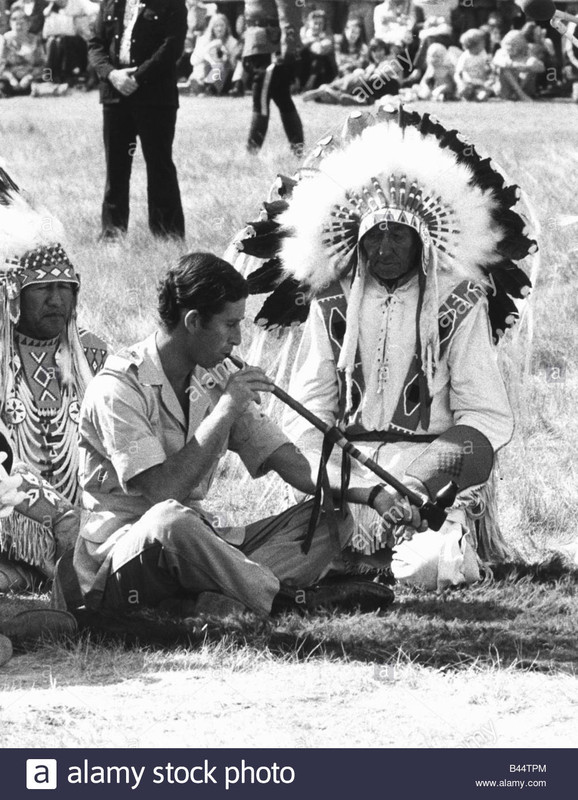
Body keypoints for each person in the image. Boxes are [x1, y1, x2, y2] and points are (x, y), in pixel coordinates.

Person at [232, 106, 536, 589]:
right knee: (286, 561)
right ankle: (351, 558)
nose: (384, 247)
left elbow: (484, 415)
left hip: (429, 480)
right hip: (349, 482)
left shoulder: (457, 300)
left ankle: (397, 556)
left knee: (427, 568)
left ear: (423, 239)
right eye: (374, 234)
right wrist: (343, 486)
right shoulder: (331, 300)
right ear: (357, 237)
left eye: (398, 234)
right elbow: (310, 408)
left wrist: (420, 482)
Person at [70, 252, 402, 619]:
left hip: (197, 547)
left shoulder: (214, 375)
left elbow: (289, 461)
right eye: (230, 325)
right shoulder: (118, 388)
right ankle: (282, 600)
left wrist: (371, 494)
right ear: (193, 321)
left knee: (331, 519)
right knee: (170, 520)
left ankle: (217, 597)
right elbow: (163, 492)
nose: (239, 338)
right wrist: (227, 409)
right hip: (127, 556)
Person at [0, 164, 107, 585]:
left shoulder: (93, 354)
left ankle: (38, 572)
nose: (56, 299)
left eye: (65, 288)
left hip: (92, 521)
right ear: (12, 295)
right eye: (43, 289)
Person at [88, 0, 187, 241]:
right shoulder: (110, 3)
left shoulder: (171, 4)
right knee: (116, 168)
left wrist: (137, 77)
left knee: (159, 165)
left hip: (155, 97)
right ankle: (112, 234)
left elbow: (172, 47)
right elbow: (96, 44)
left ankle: (167, 236)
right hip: (115, 95)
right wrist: (112, 74)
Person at [242, 0, 304, 154]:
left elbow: (290, 14)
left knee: (261, 98)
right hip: (257, 44)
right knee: (282, 97)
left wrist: (288, 48)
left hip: (271, 46)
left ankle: (252, 150)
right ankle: (298, 148)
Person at [302, 36, 399, 104]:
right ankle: (330, 92)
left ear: (385, 50)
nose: (377, 54)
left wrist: (373, 73)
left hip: (388, 86)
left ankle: (330, 90)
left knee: (362, 77)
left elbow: (393, 70)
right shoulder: (372, 65)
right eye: (374, 51)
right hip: (372, 88)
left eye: (380, 50)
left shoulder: (389, 59)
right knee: (357, 76)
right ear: (371, 53)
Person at [188, 12, 239, 94]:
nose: (219, 29)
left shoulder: (232, 42)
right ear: (212, 28)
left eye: (222, 25)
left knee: (220, 65)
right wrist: (211, 46)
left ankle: (209, 87)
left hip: (222, 75)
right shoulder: (203, 39)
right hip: (205, 70)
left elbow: (234, 66)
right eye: (216, 26)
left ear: (227, 27)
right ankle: (199, 83)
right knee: (202, 64)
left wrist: (227, 55)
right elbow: (193, 61)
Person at [0, 5, 44, 96]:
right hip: (10, 79)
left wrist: (29, 77)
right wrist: (11, 78)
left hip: (30, 77)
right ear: (10, 23)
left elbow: (43, 66)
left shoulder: (35, 40)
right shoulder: (5, 39)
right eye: (14, 19)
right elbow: (1, 66)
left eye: (22, 20)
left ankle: (36, 88)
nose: (18, 23)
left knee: (47, 75)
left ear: (29, 24)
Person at [492, 29, 544, 100]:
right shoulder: (501, 52)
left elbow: (541, 67)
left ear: (520, 44)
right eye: (508, 44)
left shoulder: (526, 53)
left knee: (532, 63)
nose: (510, 47)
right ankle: (520, 94)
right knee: (505, 69)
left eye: (513, 45)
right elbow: (499, 63)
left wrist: (527, 67)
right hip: (505, 89)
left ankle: (518, 94)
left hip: (524, 86)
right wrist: (515, 65)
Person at [299, 9, 336, 90]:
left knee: (319, 57)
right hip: (306, 65)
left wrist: (312, 42)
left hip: (322, 69)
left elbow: (321, 50)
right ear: (309, 23)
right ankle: (296, 82)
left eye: (321, 23)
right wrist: (313, 40)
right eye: (315, 23)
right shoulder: (304, 30)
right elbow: (300, 46)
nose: (318, 26)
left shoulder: (327, 33)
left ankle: (310, 84)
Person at [455, 27, 493, 100]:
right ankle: (467, 95)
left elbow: (487, 62)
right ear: (474, 45)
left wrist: (489, 66)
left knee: (484, 92)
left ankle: (478, 96)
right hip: (468, 82)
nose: (484, 44)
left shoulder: (483, 53)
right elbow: (460, 71)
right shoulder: (465, 56)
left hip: (481, 81)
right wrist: (464, 81)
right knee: (464, 89)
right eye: (482, 43)